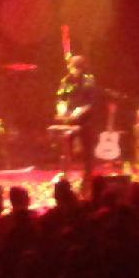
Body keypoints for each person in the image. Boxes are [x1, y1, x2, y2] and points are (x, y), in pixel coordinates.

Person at [55, 54, 99, 182]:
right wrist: (61, 107)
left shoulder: (88, 81)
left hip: (86, 120)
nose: (73, 70)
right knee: (65, 147)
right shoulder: (66, 81)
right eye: (71, 67)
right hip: (69, 120)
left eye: (75, 68)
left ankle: (88, 176)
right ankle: (64, 174)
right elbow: (61, 97)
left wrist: (81, 110)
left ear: (81, 68)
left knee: (87, 150)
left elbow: (91, 102)